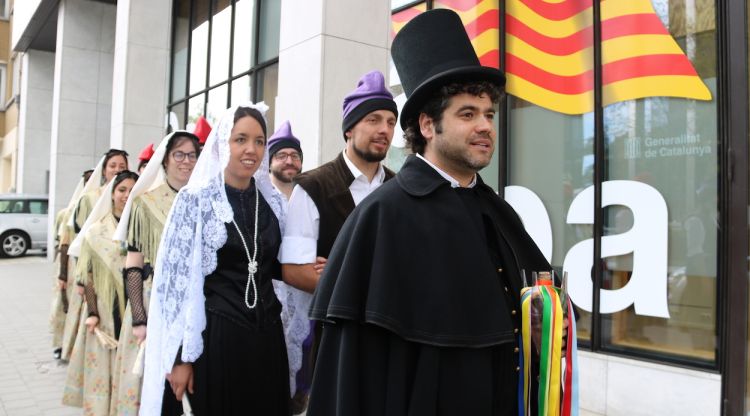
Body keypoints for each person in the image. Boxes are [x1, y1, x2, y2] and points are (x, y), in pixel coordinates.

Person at [307, 9, 552, 416]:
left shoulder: (497, 211)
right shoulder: (383, 215)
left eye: (489, 114)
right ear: (427, 125)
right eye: (467, 114)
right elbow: (353, 374)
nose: (486, 126)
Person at [140, 103, 291, 415]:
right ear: (224, 143)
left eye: (259, 141)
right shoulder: (195, 200)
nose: (251, 149)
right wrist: (180, 359)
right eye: (241, 139)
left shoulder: (274, 202)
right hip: (218, 340)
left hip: (266, 341)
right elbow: (175, 286)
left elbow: (274, 265)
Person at [278, 70, 398, 413]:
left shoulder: (398, 188)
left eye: (390, 121)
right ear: (349, 128)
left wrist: (338, 272)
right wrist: (368, 282)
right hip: (330, 337)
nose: (384, 130)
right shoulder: (312, 187)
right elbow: (294, 271)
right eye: (373, 119)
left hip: (386, 333)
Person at [109, 131, 200, 415]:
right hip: (155, 302)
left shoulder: (203, 198)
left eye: (192, 155)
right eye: (179, 155)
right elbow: (134, 263)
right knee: (157, 386)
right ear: (165, 160)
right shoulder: (144, 203)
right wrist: (139, 317)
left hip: (196, 302)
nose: (186, 161)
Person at [62, 170, 139, 414]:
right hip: (106, 310)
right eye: (121, 190)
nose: (127, 195)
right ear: (112, 193)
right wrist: (93, 313)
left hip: (135, 308)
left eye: (132, 190)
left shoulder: (141, 227)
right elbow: (90, 276)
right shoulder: (96, 231)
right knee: (104, 372)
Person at [49, 169, 92, 359]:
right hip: (73, 265)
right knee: (65, 307)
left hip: (90, 266)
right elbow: (64, 243)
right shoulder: (71, 210)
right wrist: (63, 275)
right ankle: (60, 344)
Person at [267, 121, 303, 200]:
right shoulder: (259, 196)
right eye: (282, 156)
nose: (289, 162)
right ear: (269, 163)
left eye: (294, 156)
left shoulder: (309, 195)